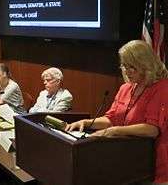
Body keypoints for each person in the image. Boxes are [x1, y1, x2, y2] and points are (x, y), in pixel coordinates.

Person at [65, 40, 168, 185]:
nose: (127, 71)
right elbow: (111, 118)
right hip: (125, 161)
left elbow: (152, 129)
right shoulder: (125, 88)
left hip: (153, 163)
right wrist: (86, 122)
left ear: (146, 64)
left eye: (132, 67)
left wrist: (113, 131)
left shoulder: (161, 87)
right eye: (124, 66)